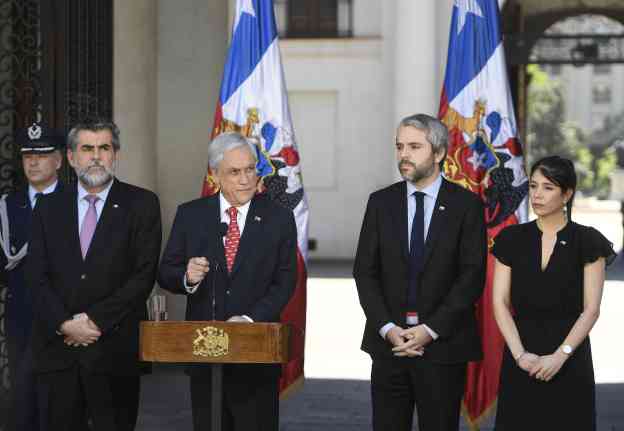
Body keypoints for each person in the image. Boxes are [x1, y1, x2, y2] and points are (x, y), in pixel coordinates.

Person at [25, 119, 162, 431]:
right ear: (71, 158)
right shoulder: (47, 207)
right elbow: (36, 276)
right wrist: (65, 324)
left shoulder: (141, 204)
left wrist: (93, 321)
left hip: (114, 352)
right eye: (87, 148)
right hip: (59, 352)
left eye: (104, 148)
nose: (96, 156)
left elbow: (143, 276)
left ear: (116, 155)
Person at [353, 113, 487, 431]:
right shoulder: (380, 203)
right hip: (390, 347)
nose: (404, 155)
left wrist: (431, 329)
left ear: (439, 153)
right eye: (400, 146)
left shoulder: (466, 206)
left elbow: (471, 276)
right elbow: (364, 272)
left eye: (414, 146)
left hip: (443, 347)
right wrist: (387, 327)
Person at [158, 131, 297, 431]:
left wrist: (248, 319)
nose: (246, 179)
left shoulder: (279, 218)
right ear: (216, 174)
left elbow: (285, 281)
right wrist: (187, 277)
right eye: (235, 172)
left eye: (250, 169)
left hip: (257, 352)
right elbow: (166, 271)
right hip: (205, 354)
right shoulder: (191, 214)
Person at [492, 155, 615, 430]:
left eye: (548, 188)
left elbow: (591, 309)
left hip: (570, 360)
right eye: (534, 186)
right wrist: (520, 355)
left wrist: (561, 355)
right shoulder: (511, 239)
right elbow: (499, 303)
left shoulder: (588, 241)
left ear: (567, 193)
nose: (537, 195)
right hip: (520, 356)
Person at [0, 122, 64, 431]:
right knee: (23, 400)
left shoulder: (76, 201)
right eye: (28, 156)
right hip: (22, 315)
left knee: (62, 403)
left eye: (42, 154)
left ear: (59, 160)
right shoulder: (7, 206)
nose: (34, 162)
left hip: (64, 315)